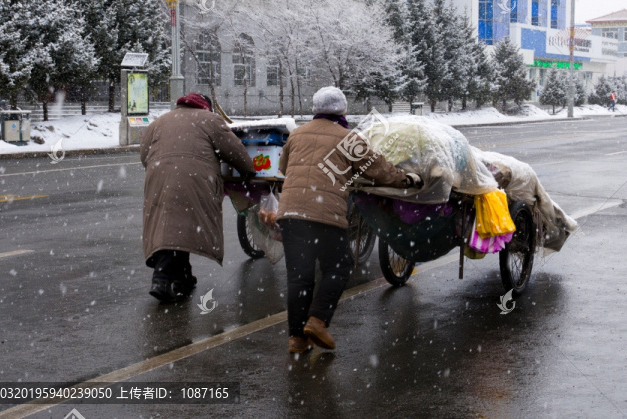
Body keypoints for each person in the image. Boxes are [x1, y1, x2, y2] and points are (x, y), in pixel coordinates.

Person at [276, 87, 421, 354]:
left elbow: (284, 168)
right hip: (324, 214)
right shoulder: (348, 139)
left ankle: (297, 338)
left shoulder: (297, 134)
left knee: (299, 277)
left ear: (316, 109)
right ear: (342, 110)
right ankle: (318, 321)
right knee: (338, 267)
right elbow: (380, 170)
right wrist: (406, 179)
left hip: (291, 213)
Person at [140, 93, 255, 303]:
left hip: (158, 178)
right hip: (192, 178)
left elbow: (143, 154)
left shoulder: (160, 121)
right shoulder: (209, 120)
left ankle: (183, 278)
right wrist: (248, 169)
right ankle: (162, 277)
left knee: (172, 225)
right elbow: (234, 151)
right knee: (184, 225)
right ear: (206, 107)